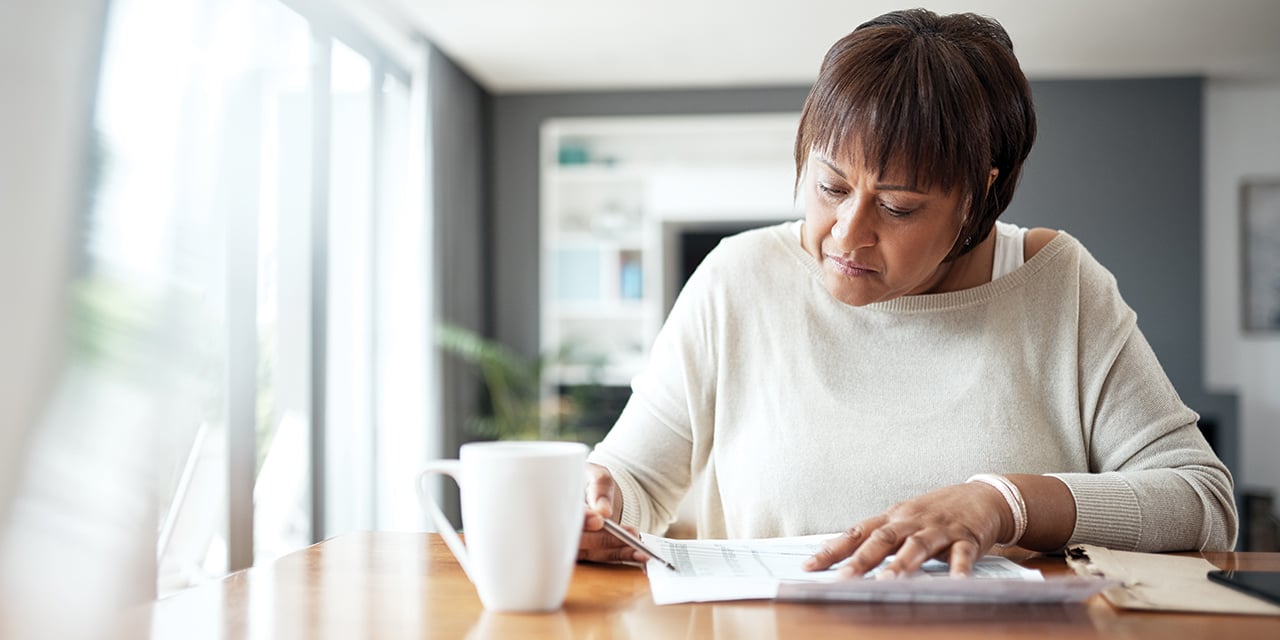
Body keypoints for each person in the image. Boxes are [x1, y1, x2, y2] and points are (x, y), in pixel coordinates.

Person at [578, 8, 1237, 578]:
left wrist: (1005, 502)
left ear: (979, 196)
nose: (848, 233)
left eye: (897, 207)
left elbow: (1204, 504)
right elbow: (631, 483)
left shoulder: (1057, 285)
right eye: (831, 187)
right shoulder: (738, 279)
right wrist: (596, 505)